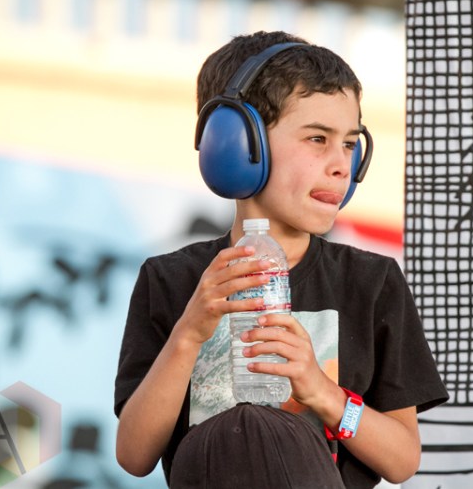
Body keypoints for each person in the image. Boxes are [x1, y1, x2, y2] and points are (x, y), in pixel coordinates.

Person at [114, 30, 448, 488]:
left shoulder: (372, 282)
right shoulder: (170, 279)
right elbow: (134, 456)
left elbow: (402, 460)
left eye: (350, 144)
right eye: (317, 138)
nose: (341, 164)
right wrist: (189, 334)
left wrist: (323, 393)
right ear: (237, 143)